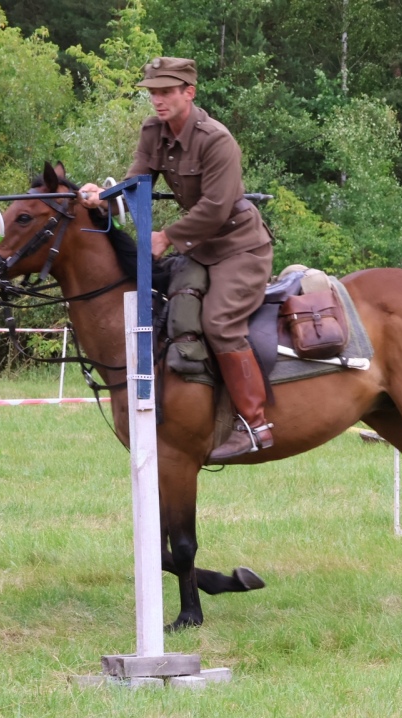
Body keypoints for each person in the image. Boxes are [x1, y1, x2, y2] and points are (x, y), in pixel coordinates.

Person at [77, 56, 276, 461]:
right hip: (201, 250)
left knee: (218, 322)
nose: (157, 100)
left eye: (166, 91)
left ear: (189, 91)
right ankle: (189, 413)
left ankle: (256, 425)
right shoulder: (153, 131)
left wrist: (167, 236)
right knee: (173, 312)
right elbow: (138, 184)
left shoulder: (216, 140)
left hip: (241, 247)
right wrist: (102, 199)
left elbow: (217, 208)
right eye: (152, 92)